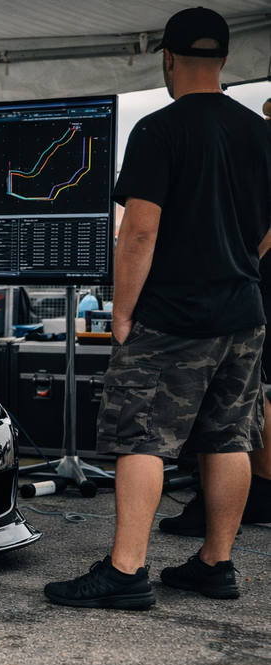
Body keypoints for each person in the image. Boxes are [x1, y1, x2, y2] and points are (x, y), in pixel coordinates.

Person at [44, 6, 271, 609]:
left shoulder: (159, 129)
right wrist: (242, 257)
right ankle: (216, 564)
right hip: (244, 314)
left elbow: (139, 231)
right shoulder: (261, 133)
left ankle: (125, 572)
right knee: (228, 439)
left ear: (167, 57)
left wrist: (121, 315)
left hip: (172, 316)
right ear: (224, 60)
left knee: (141, 436)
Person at [158, 106, 271, 535]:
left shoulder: (249, 135)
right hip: (247, 285)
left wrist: (239, 264)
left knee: (239, 406)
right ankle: (235, 519)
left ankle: (253, 493)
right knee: (242, 404)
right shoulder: (256, 136)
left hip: (234, 286)